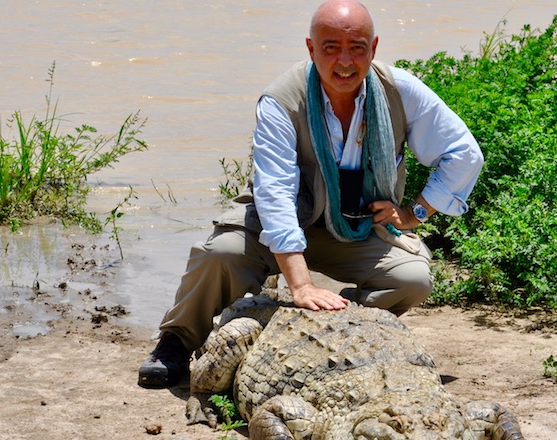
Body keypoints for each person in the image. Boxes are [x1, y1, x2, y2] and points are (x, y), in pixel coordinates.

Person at [138, 0, 483, 388]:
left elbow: (464, 154)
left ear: (374, 47)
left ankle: (341, 328)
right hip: (284, 223)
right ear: (310, 48)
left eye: (357, 47)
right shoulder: (282, 100)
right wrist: (300, 285)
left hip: (355, 227)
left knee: (413, 278)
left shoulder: (400, 91)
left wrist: (415, 213)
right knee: (219, 256)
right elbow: (276, 194)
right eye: (331, 47)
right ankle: (177, 341)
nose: (345, 61)